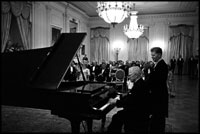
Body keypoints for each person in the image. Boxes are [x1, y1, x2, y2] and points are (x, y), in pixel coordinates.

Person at [107, 66, 150, 133]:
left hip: (137, 114)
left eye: (130, 75)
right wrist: (121, 97)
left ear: (135, 75)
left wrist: (116, 101)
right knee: (118, 116)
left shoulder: (139, 86)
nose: (128, 77)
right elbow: (132, 97)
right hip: (138, 111)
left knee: (117, 117)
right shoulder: (140, 83)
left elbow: (130, 102)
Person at [145, 47, 168, 133]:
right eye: (151, 55)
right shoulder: (158, 64)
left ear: (159, 55)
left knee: (159, 116)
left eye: (153, 55)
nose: (152, 57)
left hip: (159, 95)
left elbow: (155, 80)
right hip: (158, 94)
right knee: (157, 116)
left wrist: (148, 70)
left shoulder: (162, 65)